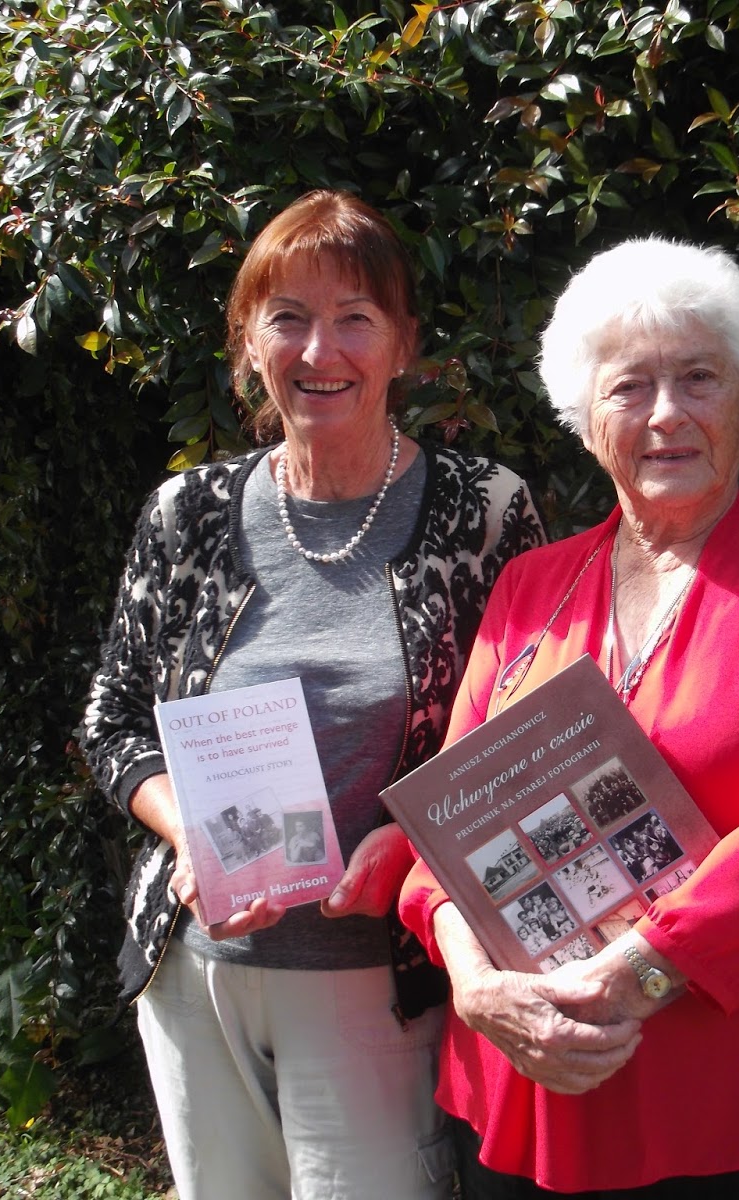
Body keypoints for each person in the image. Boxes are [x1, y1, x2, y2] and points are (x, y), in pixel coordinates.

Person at [399, 236, 739, 1196]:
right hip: (527, 1072)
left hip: (730, 1093)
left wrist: (638, 971)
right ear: (587, 420)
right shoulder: (530, 587)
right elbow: (445, 821)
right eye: (629, 387)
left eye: (699, 378)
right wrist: (475, 985)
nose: (666, 413)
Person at [81, 189, 545, 1200]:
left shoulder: (483, 511)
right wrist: (190, 831)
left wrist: (415, 841)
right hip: (198, 972)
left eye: (355, 318)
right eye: (286, 317)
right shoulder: (187, 513)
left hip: (384, 976)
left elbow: (525, 739)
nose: (319, 350)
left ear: (404, 344)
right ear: (247, 344)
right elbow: (111, 721)